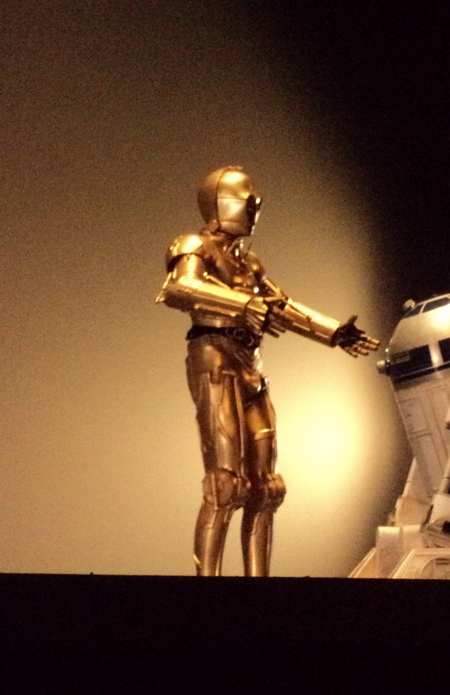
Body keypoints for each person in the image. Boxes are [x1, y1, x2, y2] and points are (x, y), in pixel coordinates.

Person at [156, 166, 379, 576]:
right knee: (225, 484)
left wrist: (334, 332)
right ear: (221, 203)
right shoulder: (194, 245)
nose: (255, 208)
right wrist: (241, 305)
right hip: (214, 358)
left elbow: (281, 306)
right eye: (247, 201)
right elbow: (179, 287)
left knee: (266, 488)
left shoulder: (248, 262)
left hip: (250, 363)